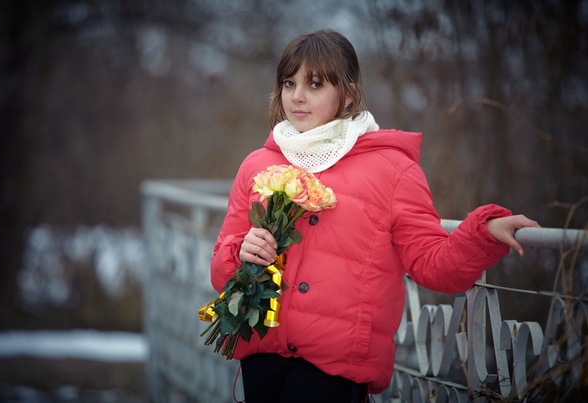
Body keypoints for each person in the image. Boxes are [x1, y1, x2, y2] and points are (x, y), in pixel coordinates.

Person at [209, 30, 540, 403]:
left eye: (315, 84)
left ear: (348, 94)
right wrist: (241, 252)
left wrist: (484, 232)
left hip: (332, 374)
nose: (297, 96)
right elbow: (220, 273)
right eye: (289, 83)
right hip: (261, 358)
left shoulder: (393, 171)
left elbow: (433, 265)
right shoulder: (257, 164)